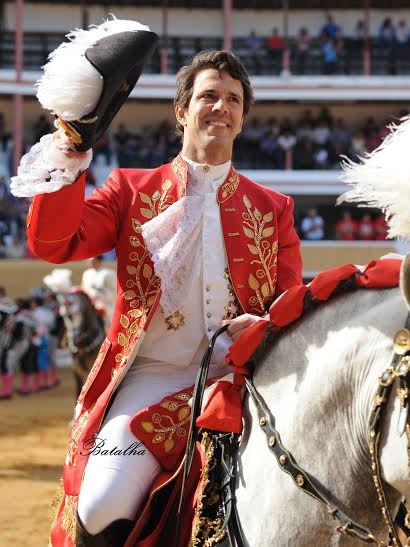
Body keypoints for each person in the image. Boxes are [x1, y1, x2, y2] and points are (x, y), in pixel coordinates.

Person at [12, 49, 302, 546]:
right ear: (182, 111)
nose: (221, 107)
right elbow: (54, 244)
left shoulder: (273, 207)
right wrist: (71, 151)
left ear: (242, 119)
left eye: (233, 100)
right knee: (101, 504)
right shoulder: (130, 189)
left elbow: (289, 302)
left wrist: (263, 323)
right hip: (151, 377)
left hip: (244, 376)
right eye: (209, 95)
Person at [81, 255, 116, 329]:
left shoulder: (108, 273)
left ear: (99, 260)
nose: (90, 262)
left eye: (92, 260)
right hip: (90, 306)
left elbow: (114, 291)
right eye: (89, 260)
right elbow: (83, 288)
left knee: (109, 327)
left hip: (106, 306)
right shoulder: (86, 274)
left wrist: (99, 296)